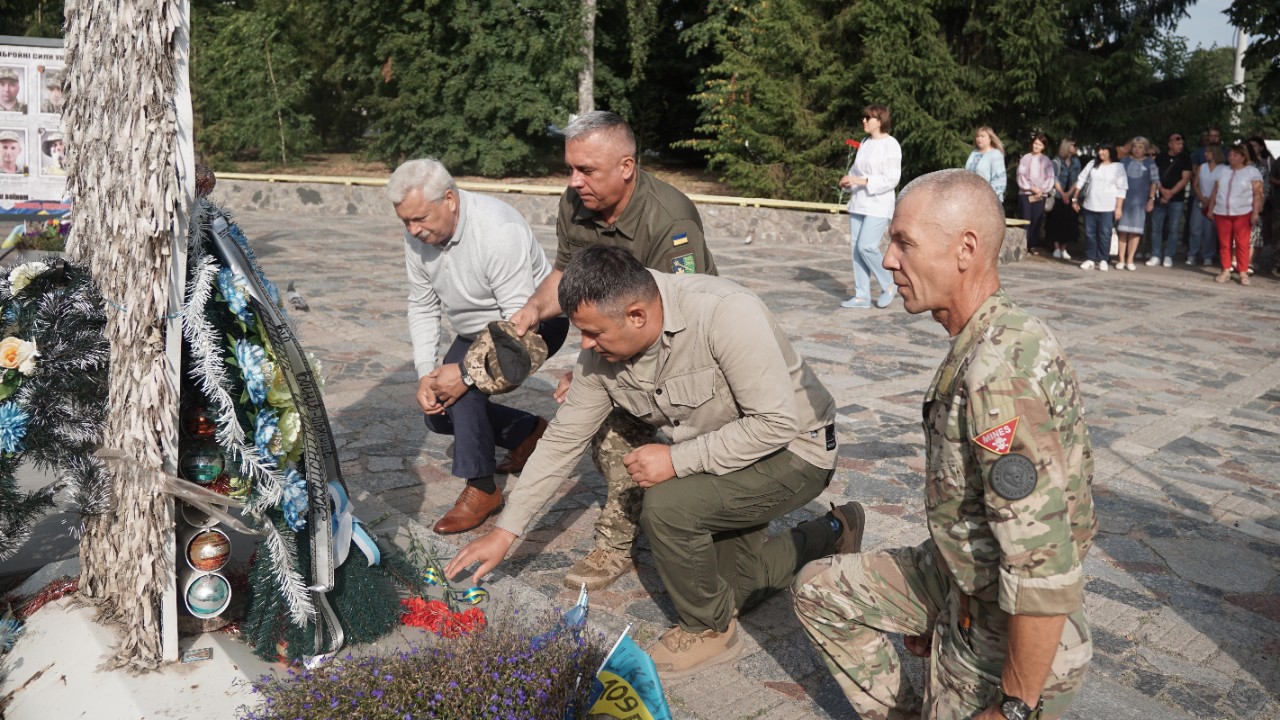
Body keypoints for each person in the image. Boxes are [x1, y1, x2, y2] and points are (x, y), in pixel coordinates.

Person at [447, 244, 858, 680]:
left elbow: (775, 424)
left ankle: (708, 632)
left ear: (637, 315)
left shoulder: (725, 313)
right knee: (733, 591)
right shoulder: (603, 347)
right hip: (730, 458)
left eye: (594, 333)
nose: (585, 346)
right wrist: (506, 532)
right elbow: (563, 439)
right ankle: (833, 531)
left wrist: (677, 460)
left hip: (795, 451)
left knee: (668, 504)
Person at [794, 169, 1097, 720]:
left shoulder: (996, 373)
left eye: (904, 242)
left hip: (1004, 623)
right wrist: (938, 603)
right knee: (821, 587)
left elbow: (1043, 569)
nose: (888, 260)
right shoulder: (997, 333)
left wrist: (1013, 709)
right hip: (963, 582)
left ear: (966, 249)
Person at [507, 110, 718, 591]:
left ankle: (684, 518)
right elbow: (565, 275)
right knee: (603, 430)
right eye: (570, 168)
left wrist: (593, 370)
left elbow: (678, 322)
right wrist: (531, 312)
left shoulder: (671, 221)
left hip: (684, 351)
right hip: (620, 340)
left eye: (587, 170)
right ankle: (617, 542)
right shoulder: (576, 202)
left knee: (645, 434)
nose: (574, 181)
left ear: (626, 167)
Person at [388, 158, 571, 534]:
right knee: (437, 410)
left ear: (450, 199)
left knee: (464, 394)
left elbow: (518, 326)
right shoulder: (417, 234)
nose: (412, 230)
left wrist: (468, 375)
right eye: (405, 221)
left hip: (533, 325)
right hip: (477, 331)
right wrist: (426, 373)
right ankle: (527, 432)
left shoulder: (497, 230)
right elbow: (422, 304)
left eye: (419, 218)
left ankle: (482, 490)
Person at [839, 104, 900, 309]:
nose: (864, 120)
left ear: (880, 120)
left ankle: (889, 284)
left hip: (878, 205)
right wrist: (848, 182)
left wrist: (862, 181)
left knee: (866, 246)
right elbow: (856, 170)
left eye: (868, 117)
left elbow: (892, 179)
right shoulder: (864, 143)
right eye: (863, 117)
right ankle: (862, 296)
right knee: (856, 250)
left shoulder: (891, 144)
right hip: (858, 203)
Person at [1207, 144, 1264, 286]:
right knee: (1224, 243)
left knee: (1242, 243)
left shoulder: (1252, 171)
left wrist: (1255, 212)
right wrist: (1211, 208)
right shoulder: (1222, 170)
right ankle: (1226, 269)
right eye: (1230, 155)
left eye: (1235, 155)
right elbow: (1215, 191)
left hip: (1242, 212)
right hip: (1222, 212)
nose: (1231, 157)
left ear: (1243, 157)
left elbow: (1258, 194)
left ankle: (1243, 271)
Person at [1072, 143, 1126, 271]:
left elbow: (1122, 189)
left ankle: (1103, 259)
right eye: (1099, 150)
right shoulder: (1092, 164)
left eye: (1104, 150)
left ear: (1110, 151)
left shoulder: (1118, 167)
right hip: (1090, 204)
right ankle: (1090, 258)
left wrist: (1118, 208)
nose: (1100, 152)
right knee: (1090, 233)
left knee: (1105, 233)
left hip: (1108, 206)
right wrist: (1075, 198)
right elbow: (1081, 179)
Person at [1151, 132, 1193, 266]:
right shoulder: (1161, 157)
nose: (1180, 145)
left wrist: (1170, 193)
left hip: (1177, 199)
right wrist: (1162, 191)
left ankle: (1169, 255)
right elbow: (1154, 175)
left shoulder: (1185, 159)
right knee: (1156, 227)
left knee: (1174, 229)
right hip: (1160, 196)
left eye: (1181, 143)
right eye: (1177, 143)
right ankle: (1155, 255)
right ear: (1170, 144)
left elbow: (1185, 179)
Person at [1117, 136, 1158, 271]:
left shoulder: (1150, 163)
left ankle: (1130, 259)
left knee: (1135, 231)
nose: (1137, 149)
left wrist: (1151, 199)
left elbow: (1154, 182)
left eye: (1140, 147)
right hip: (1124, 200)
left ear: (1145, 149)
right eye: (1135, 146)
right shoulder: (1124, 161)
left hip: (1140, 201)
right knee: (1122, 230)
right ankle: (1121, 259)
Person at [1016, 132, 1054, 253]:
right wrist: (1032, 188)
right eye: (1035, 143)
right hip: (1026, 193)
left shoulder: (1047, 161)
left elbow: (1050, 177)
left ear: (1044, 147)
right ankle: (1023, 245)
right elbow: (1020, 175)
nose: (1036, 146)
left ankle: (1033, 245)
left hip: (1040, 196)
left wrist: (1041, 190)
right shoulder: (1025, 158)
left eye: (1040, 144)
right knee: (1025, 219)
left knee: (1037, 220)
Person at [1045, 138, 1081, 260]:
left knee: (1069, 222)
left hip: (1071, 196)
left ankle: (1064, 248)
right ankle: (1056, 247)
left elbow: (1078, 179)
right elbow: (1054, 178)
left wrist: (1069, 193)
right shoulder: (1056, 161)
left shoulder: (1076, 162)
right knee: (1056, 221)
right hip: (1058, 195)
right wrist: (1062, 193)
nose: (1075, 148)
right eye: (1073, 145)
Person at [1189, 145, 1224, 267]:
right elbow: (1195, 184)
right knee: (1195, 229)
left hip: (1215, 204)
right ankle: (1192, 254)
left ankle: (1208, 255)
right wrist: (1202, 198)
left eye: (1208, 152)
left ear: (1214, 153)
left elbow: (1221, 186)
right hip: (1199, 201)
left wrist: (1211, 201)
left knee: (1210, 232)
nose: (1205, 154)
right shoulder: (1202, 167)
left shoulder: (1223, 169)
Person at [965, 126, 1007, 202]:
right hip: (971, 197)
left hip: (988, 199)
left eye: (982, 136)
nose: (979, 139)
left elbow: (999, 179)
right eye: (977, 136)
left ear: (990, 138)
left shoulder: (995, 154)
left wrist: (987, 195)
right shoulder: (974, 153)